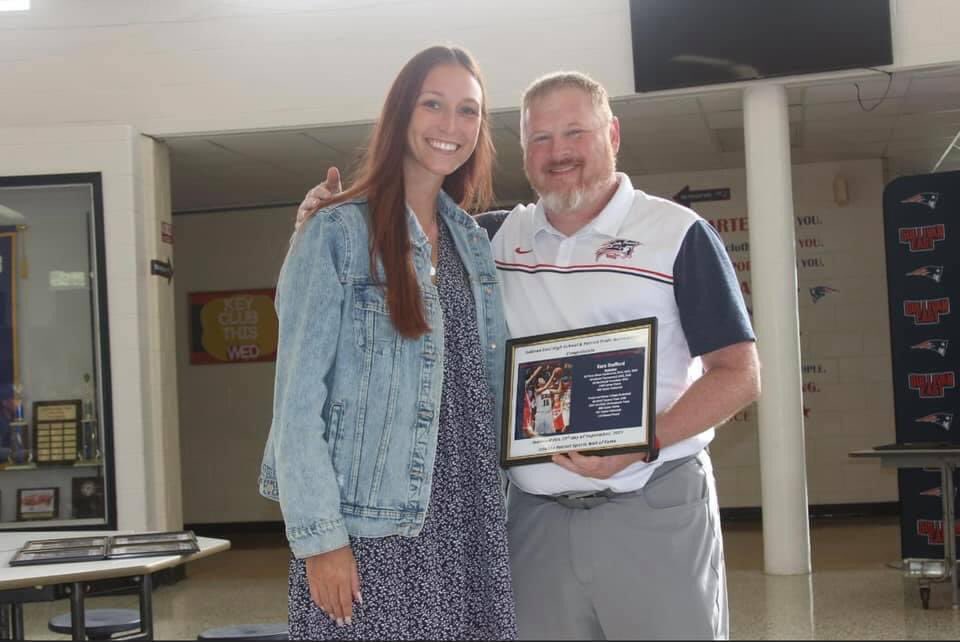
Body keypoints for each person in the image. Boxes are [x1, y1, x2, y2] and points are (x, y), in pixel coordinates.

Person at [296, 71, 760, 640]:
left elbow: (738, 374)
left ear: (612, 133)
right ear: (522, 150)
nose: (558, 152)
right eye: (540, 138)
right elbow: (380, 263)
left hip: (652, 506)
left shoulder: (678, 233)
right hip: (531, 522)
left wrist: (645, 441)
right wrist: (321, 223)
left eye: (575, 133)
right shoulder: (485, 240)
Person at [258, 45, 515, 640]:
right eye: (434, 104)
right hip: (372, 536)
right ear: (401, 112)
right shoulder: (337, 233)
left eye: (469, 111)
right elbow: (296, 406)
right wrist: (320, 540)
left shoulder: (472, 243)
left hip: (471, 524)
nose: (452, 126)